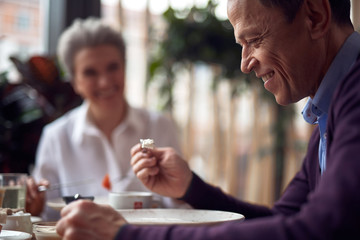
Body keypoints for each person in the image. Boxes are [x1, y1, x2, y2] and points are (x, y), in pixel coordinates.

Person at [55, 0, 360, 239]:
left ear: (316, 16)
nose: (244, 64)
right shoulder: (328, 110)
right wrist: (191, 188)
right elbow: (282, 222)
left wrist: (126, 235)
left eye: (254, 39)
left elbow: (322, 230)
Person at [25, 17, 187, 220]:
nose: (104, 82)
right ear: (75, 82)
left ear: (125, 67)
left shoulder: (159, 126)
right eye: (90, 72)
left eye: (113, 67)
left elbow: (180, 208)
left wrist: (181, 191)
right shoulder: (56, 137)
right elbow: (49, 215)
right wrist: (34, 206)